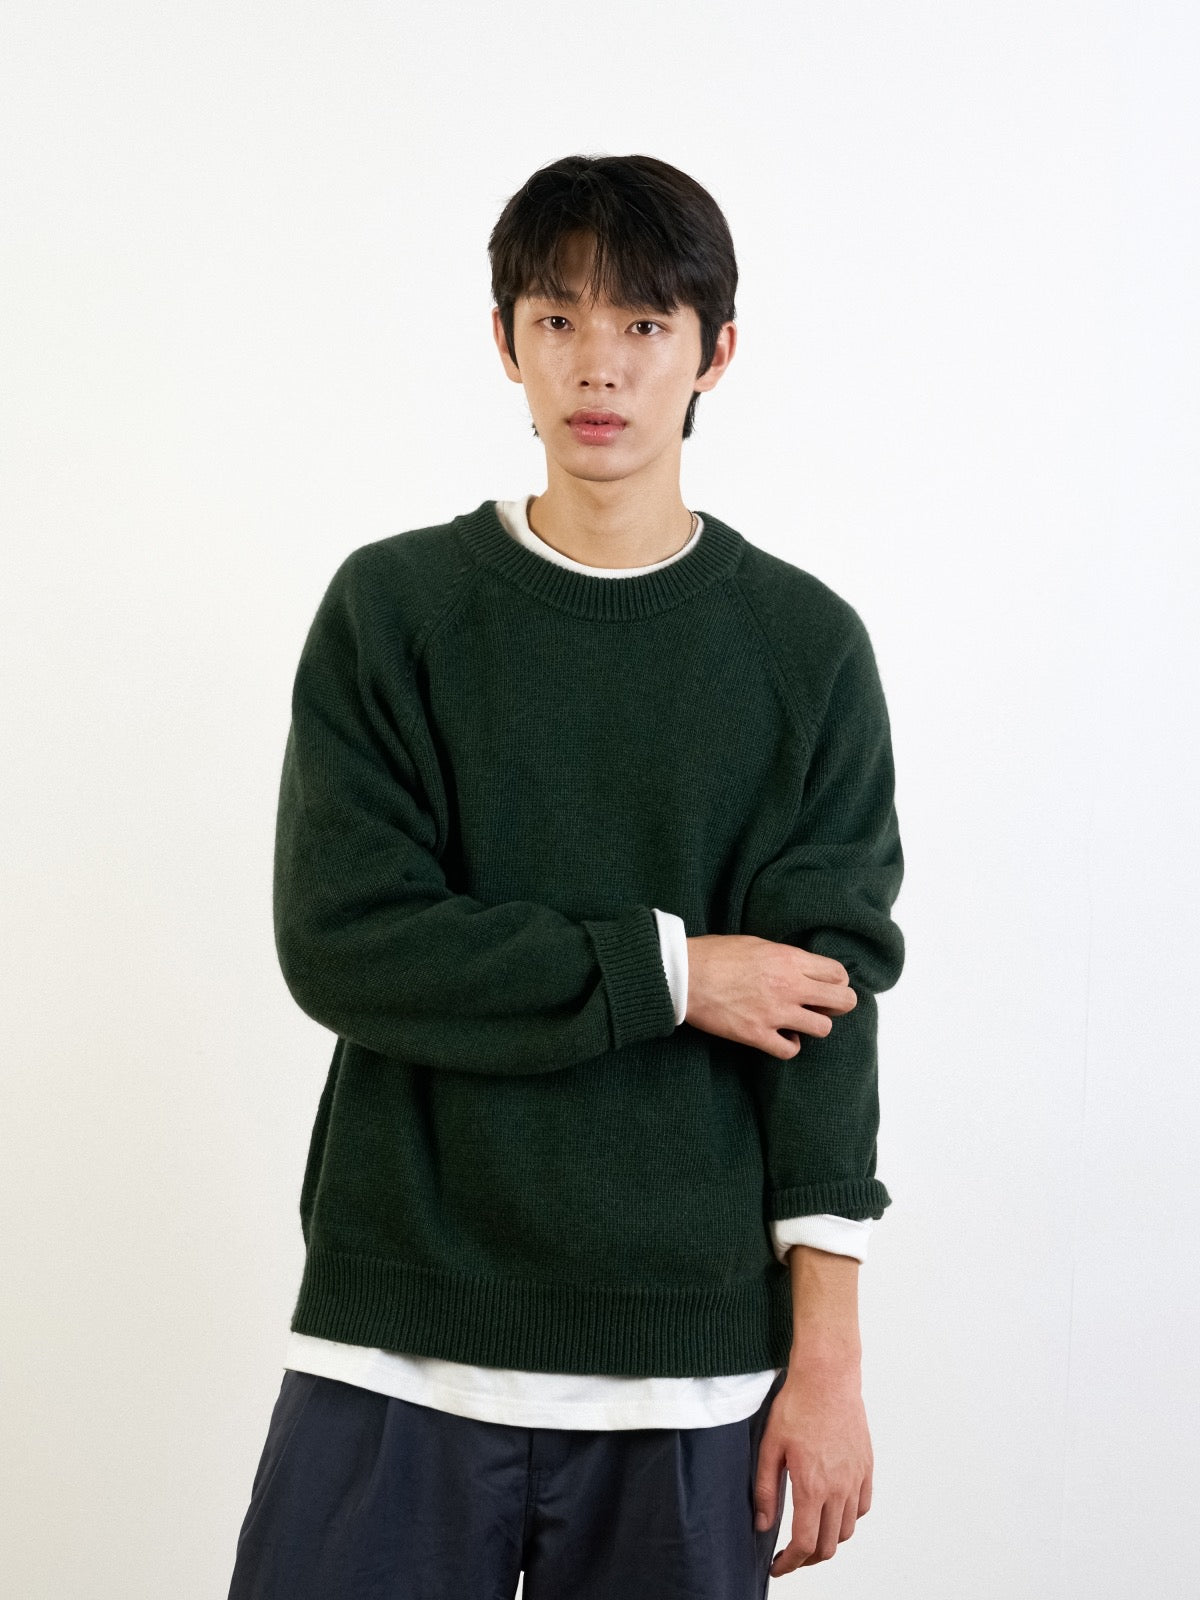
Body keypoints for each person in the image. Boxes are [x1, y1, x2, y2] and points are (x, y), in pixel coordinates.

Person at [227, 152, 906, 1599]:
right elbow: (345, 940)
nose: (600, 365)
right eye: (558, 319)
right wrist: (673, 972)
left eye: (646, 324)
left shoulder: (804, 650)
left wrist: (830, 1366)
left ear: (716, 352)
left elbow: (826, 1018)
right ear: (507, 343)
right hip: (399, 1340)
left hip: (688, 1363)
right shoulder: (395, 610)